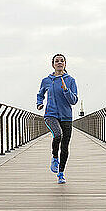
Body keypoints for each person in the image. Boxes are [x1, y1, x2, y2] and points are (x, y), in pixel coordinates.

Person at [36, 53, 78, 184]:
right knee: (57, 134)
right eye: (56, 61)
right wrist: (39, 103)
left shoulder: (70, 80)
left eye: (62, 61)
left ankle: (61, 173)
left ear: (65, 64)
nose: (59, 63)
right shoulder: (46, 80)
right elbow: (40, 93)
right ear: (53, 64)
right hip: (50, 115)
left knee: (65, 146)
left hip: (66, 116)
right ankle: (54, 157)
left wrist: (66, 90)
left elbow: (74, 100)